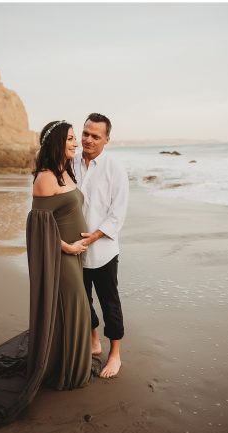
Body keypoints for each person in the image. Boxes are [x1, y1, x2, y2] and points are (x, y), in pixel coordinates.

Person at [0, 120, 102, 433]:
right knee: (75, 308)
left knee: (75, 310)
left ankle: (69, 365)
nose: (76, 143)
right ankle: (63, 372)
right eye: (71, 139)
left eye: (76, 138)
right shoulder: (44, 179)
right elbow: (39, 226)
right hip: (61, 258)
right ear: (57, 142)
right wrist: (68, 247)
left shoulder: (66, 172)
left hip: (75, 255)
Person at [73, 113, 129, 379]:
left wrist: (94, 236)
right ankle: (94, 340)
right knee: (83, 300)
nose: (88, 139)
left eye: (95, 136)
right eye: (85, 133)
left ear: (107, 139)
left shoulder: (115, 168)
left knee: (110, 304)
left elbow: (118, 213)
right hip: (74, 250)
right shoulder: (70, 162)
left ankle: (115, 354)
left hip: (104, 251)